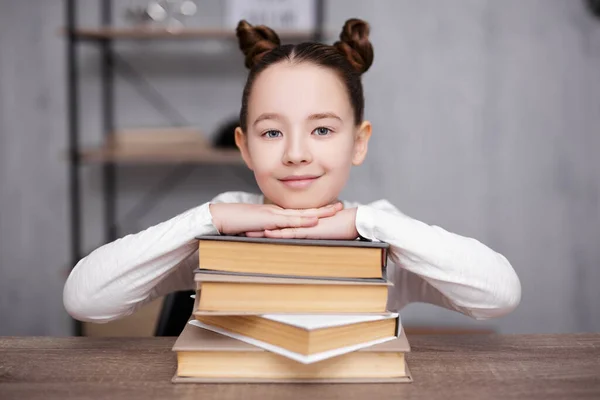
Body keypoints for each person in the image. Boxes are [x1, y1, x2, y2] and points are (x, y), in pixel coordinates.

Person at [63, 18, 521, 325]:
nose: (296, 154)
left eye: (322, 129)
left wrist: (365, 223)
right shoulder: (220, 229)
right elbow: (84, 300)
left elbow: (499, 295)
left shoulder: (386, 238)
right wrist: (210, 218)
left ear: (358, 142)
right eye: (272, 133)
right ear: (244, 146)